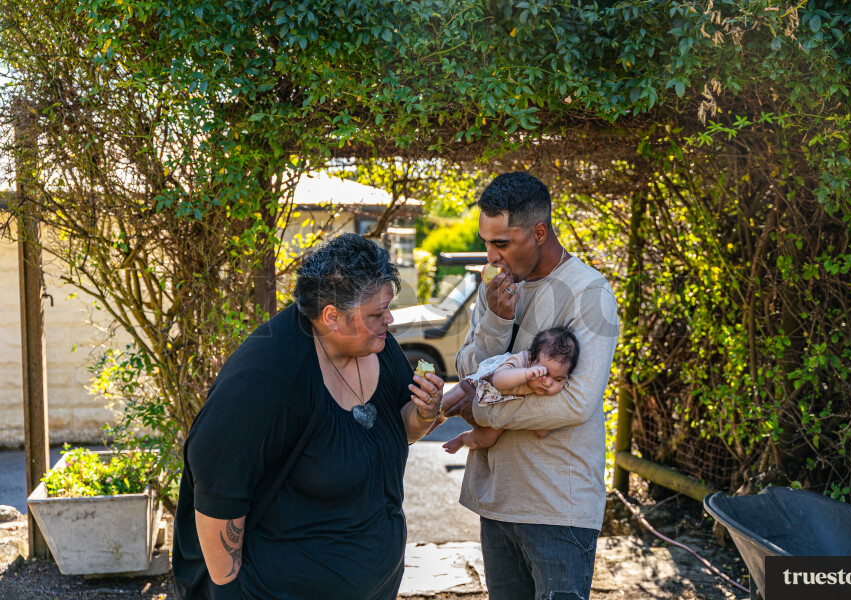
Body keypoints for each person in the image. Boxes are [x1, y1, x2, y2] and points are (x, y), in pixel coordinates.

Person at [172, 233, 444, 600]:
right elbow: (218, 497)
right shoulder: (264, 378)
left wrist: (424, 413)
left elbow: (397, 430)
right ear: (331, 316)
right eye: (377, 313)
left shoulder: (379, 346)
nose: (390, 320)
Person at [445, 171, 619, 600]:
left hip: (559, 507)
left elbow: (575, 404)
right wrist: (497, 319)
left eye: (502, 244)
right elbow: (467, 370)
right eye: (486, 242)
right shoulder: (495, 290)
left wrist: (482, 410)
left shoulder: (589, 292)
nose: (491, 256)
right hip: (496, 500)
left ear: (539, 232)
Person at [441, 326, 580, 453]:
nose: (548, 383)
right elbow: (499, 381)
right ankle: (433, 417)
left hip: (498, 408)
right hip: (480, 385)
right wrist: (525, 374)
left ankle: (462, 439)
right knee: (446, 402)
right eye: (544, 373)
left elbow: (541, 429)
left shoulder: (552, 394)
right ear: (531, 360)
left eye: (558, 379)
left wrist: (546, 426)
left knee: (487, 439)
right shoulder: (521, 362)